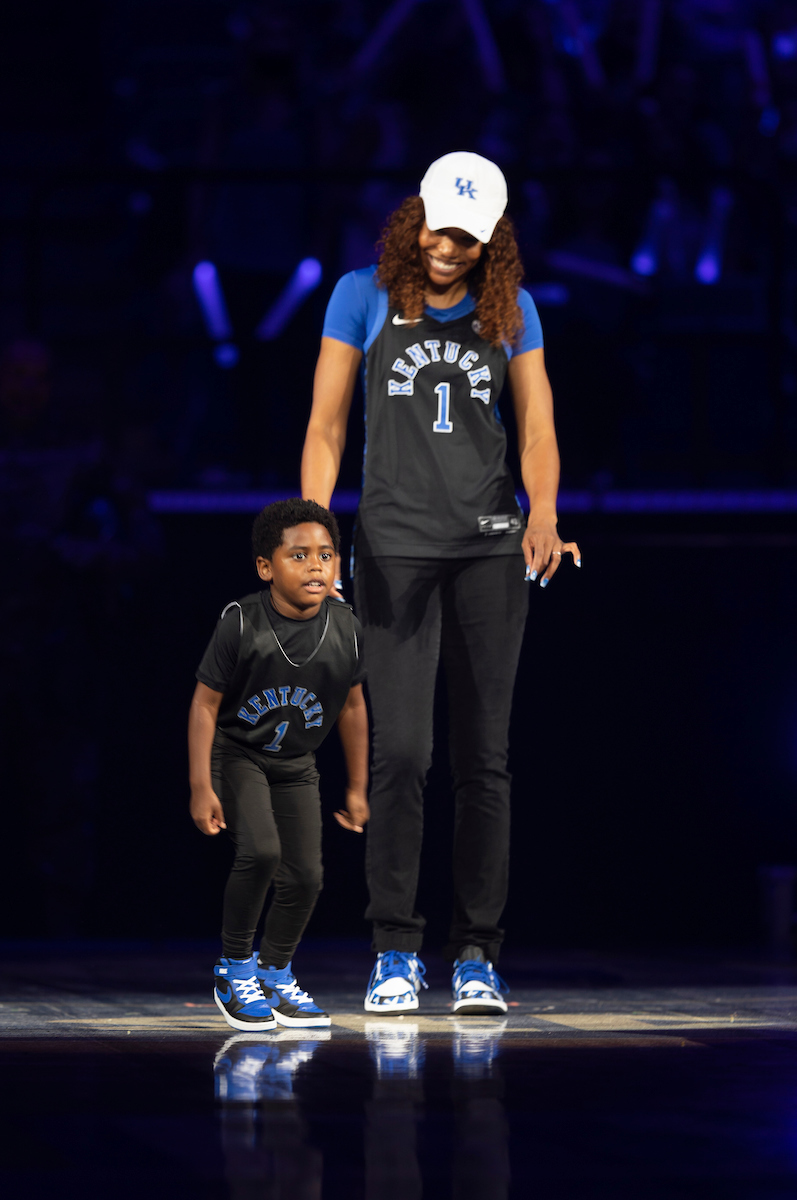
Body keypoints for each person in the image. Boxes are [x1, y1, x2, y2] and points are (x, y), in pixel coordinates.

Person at [301, 152, 580, 1016]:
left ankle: (478, 956)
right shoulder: (361, 295)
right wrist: (314, 536)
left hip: (492, 550)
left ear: (492, 239)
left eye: (467, 237)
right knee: (404, 754)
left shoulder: (513, 310)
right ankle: (394, 949)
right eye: (437, 230)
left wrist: (545, 513)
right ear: (413, 218)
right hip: (393, 548)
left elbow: (536, 429)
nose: (447, 249)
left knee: (483, 760)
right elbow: (326, 426)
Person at [189, 498, 369, 1032]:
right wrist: (201, 785)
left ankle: (274, 972)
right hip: (239, 753)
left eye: (327, 555)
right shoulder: (241, 621)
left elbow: (353, 706)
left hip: (296, 762)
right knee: (262, 852)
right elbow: (204, 705)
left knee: (308, 876)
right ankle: (234, 967)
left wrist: (358, 785)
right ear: (267, 567)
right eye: (299, 556)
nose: (316, 566)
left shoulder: (346, 625)